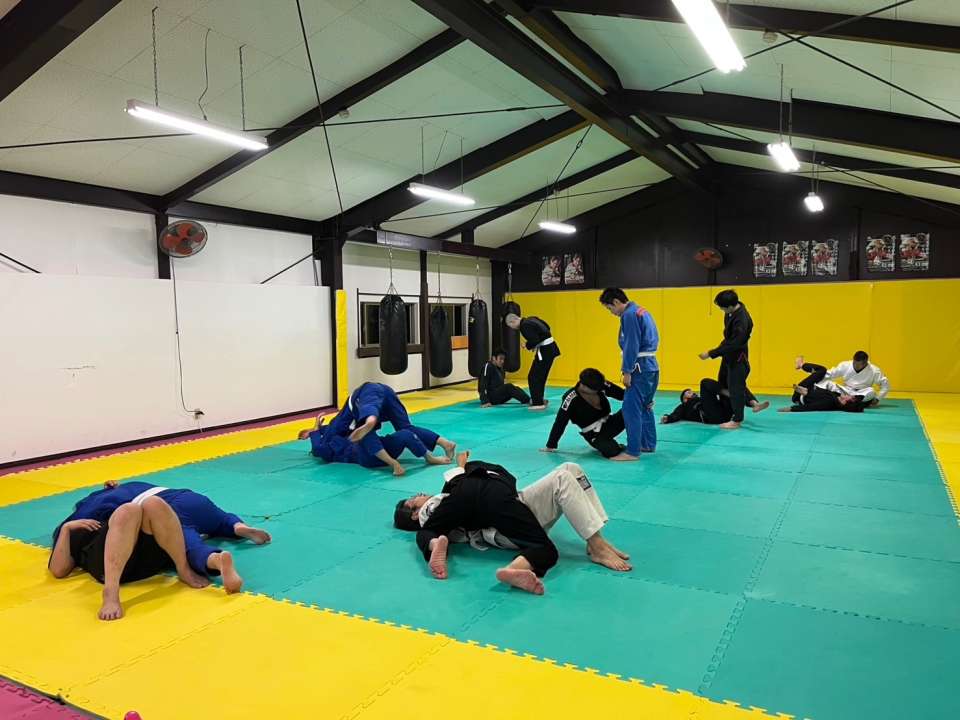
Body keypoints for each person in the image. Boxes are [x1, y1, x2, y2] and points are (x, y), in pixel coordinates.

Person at [393, 453, 631, 595]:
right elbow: (432, 525)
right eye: (414, 498)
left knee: (570, 469)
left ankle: (596, 538)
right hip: (502, 523)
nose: (420, 494)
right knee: (547, 540)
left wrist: (462, 465)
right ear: (413, 514)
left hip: (512, 502)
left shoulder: (449, 495)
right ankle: (595, 545)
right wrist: (433, 543)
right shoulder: (432, 509)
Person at [49, 480, 271, 621]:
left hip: (146, 557)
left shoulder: (107, 507)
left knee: (153, 505)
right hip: (110, 567)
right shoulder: (76, 525)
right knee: (130, 510)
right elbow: (58, 570)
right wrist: (67, 529)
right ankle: (111, 593)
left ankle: (184, 569)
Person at [599, 287, 659, 461]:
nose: (611, 313)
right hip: (651, 366)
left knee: (630, 409)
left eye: (609, 308)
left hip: (639, 367)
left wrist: (627, 371)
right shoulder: (641, 311)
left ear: (616, 302)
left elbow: (631, 344)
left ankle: (632, 451)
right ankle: (647, 443)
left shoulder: (629, 315)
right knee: (645, 406)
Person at [305, 422, 454, 476]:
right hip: (366, 457)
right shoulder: (326, 446)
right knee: (364, 432)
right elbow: (317, 448)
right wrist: (314, 431)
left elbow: (338, 425)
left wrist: (319, 428)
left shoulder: (335, 430)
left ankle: (430, 458)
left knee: (405, 434)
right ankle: (394, 464)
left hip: (380, 446)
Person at [542, 368, 626, 458]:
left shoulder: (600, 384)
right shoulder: (570, 398)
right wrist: (551, 445)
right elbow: (560, 422)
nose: (598, 390)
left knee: (632, 410)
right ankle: (608, 444)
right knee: (612, 451)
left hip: (610, 422)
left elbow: (623, 395)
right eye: (594, 389)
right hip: (594, 433)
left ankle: (637, 441)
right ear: (583, 386)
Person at [699, 289, 752, 430]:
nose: (721, 310)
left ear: (730, 306)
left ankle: (737, 419)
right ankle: (749, 403)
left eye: (722, 307)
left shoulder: (741, 320)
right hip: (728, 355)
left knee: (736, 387)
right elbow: (728, 339)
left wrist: (711, 353)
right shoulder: (731, 312)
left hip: (738, 356)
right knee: (723, 381)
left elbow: (734, 343)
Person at [504, 313, 560, 411]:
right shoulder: (532, 319)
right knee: (540, 376)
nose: (513, 328)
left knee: (533, 377)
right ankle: (539, 400)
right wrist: (536, 343)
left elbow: (534, 340)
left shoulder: (524, 326)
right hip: (551, 349)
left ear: (512, 322)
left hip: (545, 351)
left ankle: (538, 403)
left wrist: (527, 345)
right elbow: (547, 327)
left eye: (511, 326)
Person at [778, 357, 867, 413]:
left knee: (821, 371)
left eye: (850, 397)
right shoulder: (837, 397)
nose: (848, 395)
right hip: (809, 390)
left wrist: (792, 409)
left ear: (845, 402)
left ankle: (802, 366)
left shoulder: (829, 402)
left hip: (800, 395)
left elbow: (812, 407)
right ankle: (802, 366)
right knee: (821, 372)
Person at [661, 378, 769, 424]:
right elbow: (676, 415)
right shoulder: (684, 406)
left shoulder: (700, 399)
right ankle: (729, 393)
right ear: (684, 399)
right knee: (704, 382)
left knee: (736, 383)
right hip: (711, 416)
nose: (692, 392)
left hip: (724, 413)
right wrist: (668, 418)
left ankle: (754, 404)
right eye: (689, 392)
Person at [817, 350, 889, 405]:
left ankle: (847, 401)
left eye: (858, 364)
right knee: (826, 383)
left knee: (871, 392)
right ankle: (846, 400)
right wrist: (816, 375)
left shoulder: (875, 370)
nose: (855, 365)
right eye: (854, 363)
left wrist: (878, 398)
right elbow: (831, 374)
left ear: (865, 363)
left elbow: (885, 385)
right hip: (845, 391)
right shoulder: (845, 365)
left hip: (862, 393)